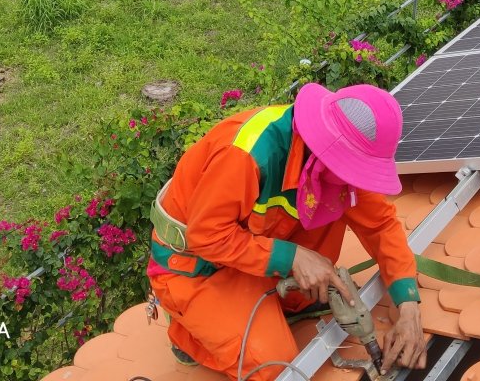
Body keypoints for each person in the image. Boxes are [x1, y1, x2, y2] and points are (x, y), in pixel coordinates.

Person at [148, 83, 427, 381]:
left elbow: (380, 225)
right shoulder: (246, 154)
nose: (355, 180)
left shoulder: (330, 156)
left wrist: (408, 305)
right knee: (276, 368)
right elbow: (206, 237)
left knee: (341, 199)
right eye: (353, 170)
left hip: (254, 249)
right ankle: (188, 334)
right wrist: (292, 257)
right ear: (326, 148)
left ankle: (289, 302)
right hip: (197, 266)